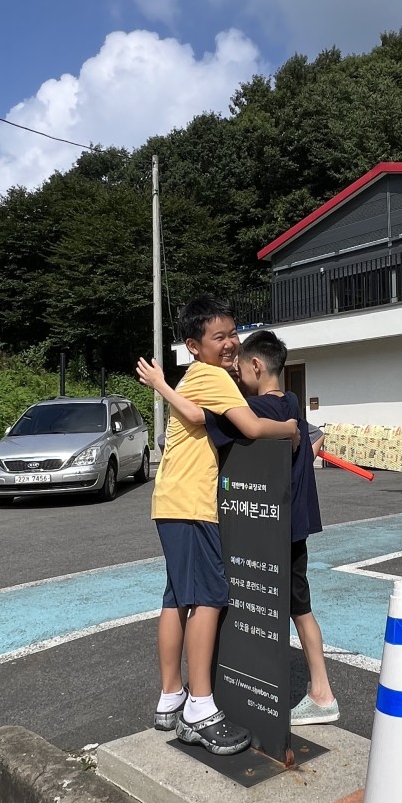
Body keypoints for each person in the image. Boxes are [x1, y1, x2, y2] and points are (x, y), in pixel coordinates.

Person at [142, 329, 339, 728]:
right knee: (299, 608)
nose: (236, 374)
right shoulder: (291, 402)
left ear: (256, 366)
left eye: (242, 367)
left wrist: (162, 386)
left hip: (265, 530)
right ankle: (319, 687)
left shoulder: (252, 408)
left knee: (222, 600)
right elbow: (313, 438)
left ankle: (315, 694)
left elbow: (198, 418)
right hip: (295, 525)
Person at [136, 295, 299, 757]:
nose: (230, 344)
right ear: (194, 345)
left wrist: (161, 385)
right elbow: (252, 427)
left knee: (177, 598)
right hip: (192, 504)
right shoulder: (213, 377)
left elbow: (193, 416)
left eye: (233, 333)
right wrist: (290, 428)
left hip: (170, 502)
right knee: (209, 598)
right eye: (219, 337)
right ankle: (200, 709)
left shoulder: (192, 377)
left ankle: (171, 697)